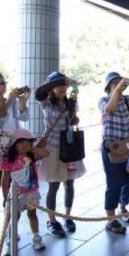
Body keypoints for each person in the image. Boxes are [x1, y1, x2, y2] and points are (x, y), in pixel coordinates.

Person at [35, 72, 86, 238]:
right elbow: (38, 94)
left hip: (69, 149)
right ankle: (52, 221)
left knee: (69, 184)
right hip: (52, 150)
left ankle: (68, 217)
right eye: (58, 85)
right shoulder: (46, 104)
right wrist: (50, 85)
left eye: (64, 85)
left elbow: (74, 112)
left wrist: (74, 85)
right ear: (51, 88)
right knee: (54, 185)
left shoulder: (71, 103)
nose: (62, 88)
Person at [99, 72, 129, 234]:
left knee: (128, 178)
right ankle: (110, 220)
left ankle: (122, 208)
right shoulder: (104, 100)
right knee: (114, 183)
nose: (119, 85)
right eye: (114, 83)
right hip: (113, 148)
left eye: (120, 82)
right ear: (108, 87)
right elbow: (109, 110)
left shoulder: (127, 99)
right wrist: (117, 91)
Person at [1, 129, 49, 254]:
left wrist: (32, 149)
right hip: (15, 194)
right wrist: (5, 197)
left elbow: (46, 153)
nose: (24, 145)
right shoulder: (8, 161)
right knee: (13, 217)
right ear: (13, 144)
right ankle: (11, 239)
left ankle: (36, 237)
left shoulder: (31, 156)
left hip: (31, 192)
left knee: (32, 215)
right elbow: (5, 180)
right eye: (20, 142)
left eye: (27, 142)